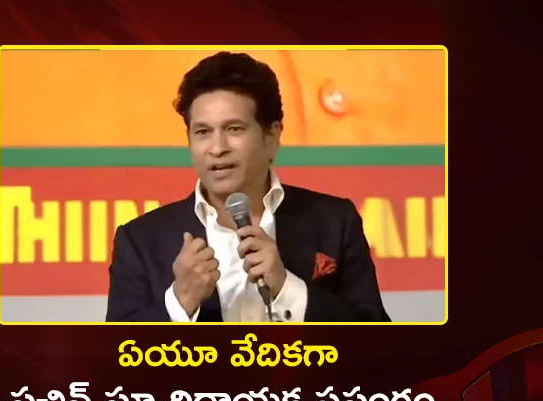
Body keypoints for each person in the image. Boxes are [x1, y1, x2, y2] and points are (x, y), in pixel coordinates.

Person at [106, 52, 390, 323]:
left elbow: (376, 343)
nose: (217, 148)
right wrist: (180, 303)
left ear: (272, 136)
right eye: (203, 132)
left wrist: (288, 290)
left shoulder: (335, 222)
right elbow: (116, 351)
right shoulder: (141, 241)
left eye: (234, 129)